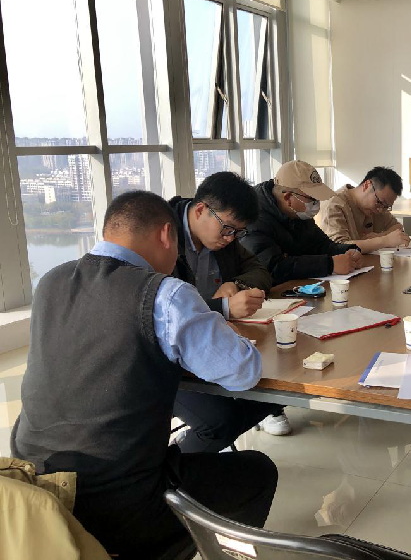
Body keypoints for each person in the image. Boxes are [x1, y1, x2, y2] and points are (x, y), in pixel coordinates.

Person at [11, 191, 278, 558]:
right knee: (258, 472)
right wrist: (224, 331)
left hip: (33, 486)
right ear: (167, 235)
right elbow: (242, 372)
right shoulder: (165, 295)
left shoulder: (51, 282)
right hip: (118, 499)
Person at [168, 171, 292, 440]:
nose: (231, 238)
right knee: (220, 421)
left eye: (238, 232)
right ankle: (177, 458)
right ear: (200, 210)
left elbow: (260, 269)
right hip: (170, 356)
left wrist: (237, 284)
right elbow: (164, 311)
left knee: (277, 388)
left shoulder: (223, 235)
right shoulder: (165, 237)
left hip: (215, 339)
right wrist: (222, 307)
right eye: (228, 229)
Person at [243, 160, 364, 285]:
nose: (316, 204)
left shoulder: (299, 214)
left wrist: (349, 251)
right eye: (312, 199)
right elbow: (272, 267)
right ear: (288, 198)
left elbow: (321, 245)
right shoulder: (254, 218)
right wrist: (330, 264)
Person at [317, 166, 411, 253]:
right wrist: (384, 241)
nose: (380, 210)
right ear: (367, 185)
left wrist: (380, 236)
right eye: (380, 202)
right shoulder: (334, 204)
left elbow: (397, 227)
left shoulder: (379, 206)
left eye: (386, 207)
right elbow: (338, 247)